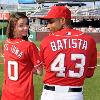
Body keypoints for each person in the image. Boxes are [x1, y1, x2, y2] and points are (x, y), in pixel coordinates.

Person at [39, 6, 97, 100]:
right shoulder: (89, 40)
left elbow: (46, 67)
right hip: (75, 95)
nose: (48, 26)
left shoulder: (46, 41)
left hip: (50, 94)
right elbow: (89, 73)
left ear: (62, 20)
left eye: (51, 22)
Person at [1, 12, 42, 100]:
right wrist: (28, 68)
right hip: (23, 95)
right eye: (21, 25)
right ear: (13, 28)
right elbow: (39, 71)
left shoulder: (5, 43)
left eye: (27, 24)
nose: (26, 27)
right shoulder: (29, 46)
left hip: (7, 93)